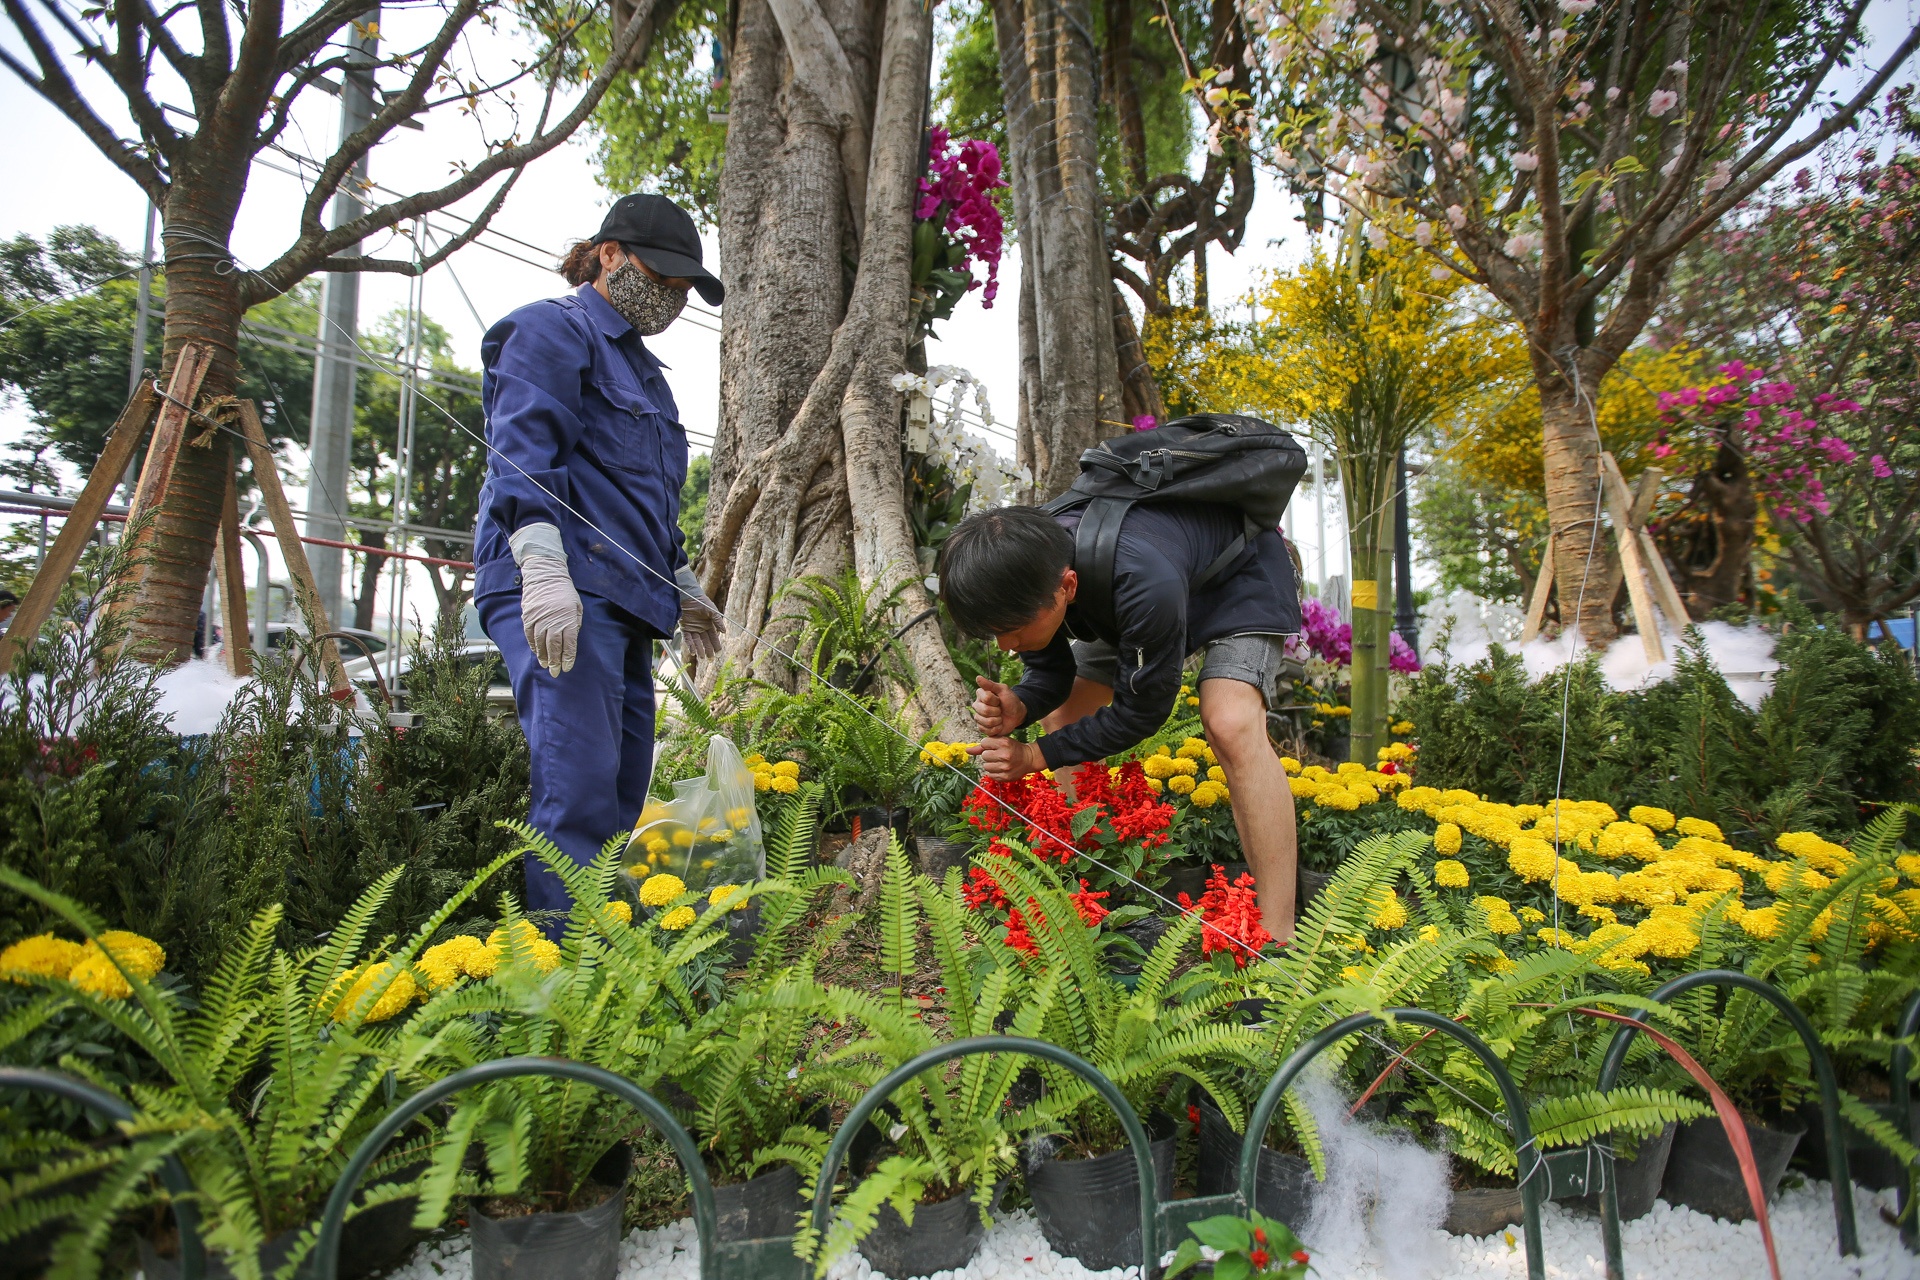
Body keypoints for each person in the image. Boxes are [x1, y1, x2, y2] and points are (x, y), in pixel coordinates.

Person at [473, 193, 728, 931]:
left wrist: (677, 581)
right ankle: (563, 981)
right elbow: (523, 450)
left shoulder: (648, 378)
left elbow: (641, 495)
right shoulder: (550, 331)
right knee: (577, 786)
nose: (673, 298)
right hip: (562, 590)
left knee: (619, 789)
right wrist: (542, 569)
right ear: (609, 254)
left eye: (685, 291)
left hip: (627, 601)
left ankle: (597, 950)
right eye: (663, 277)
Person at [938, 503, 1302, 943]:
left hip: (1237, 578)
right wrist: (1022, 704)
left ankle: (1278, 940)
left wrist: (1035, 755)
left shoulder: (1141, 585)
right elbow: (1051, 670)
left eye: (1011, 629)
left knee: (1230, 722)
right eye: (994, 632)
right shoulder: (1030, 563)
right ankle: (1091, 890)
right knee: (1064, 712)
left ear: (1067, 586)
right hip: (1139, 592)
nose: (1005, 644)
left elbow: (1142, 710)